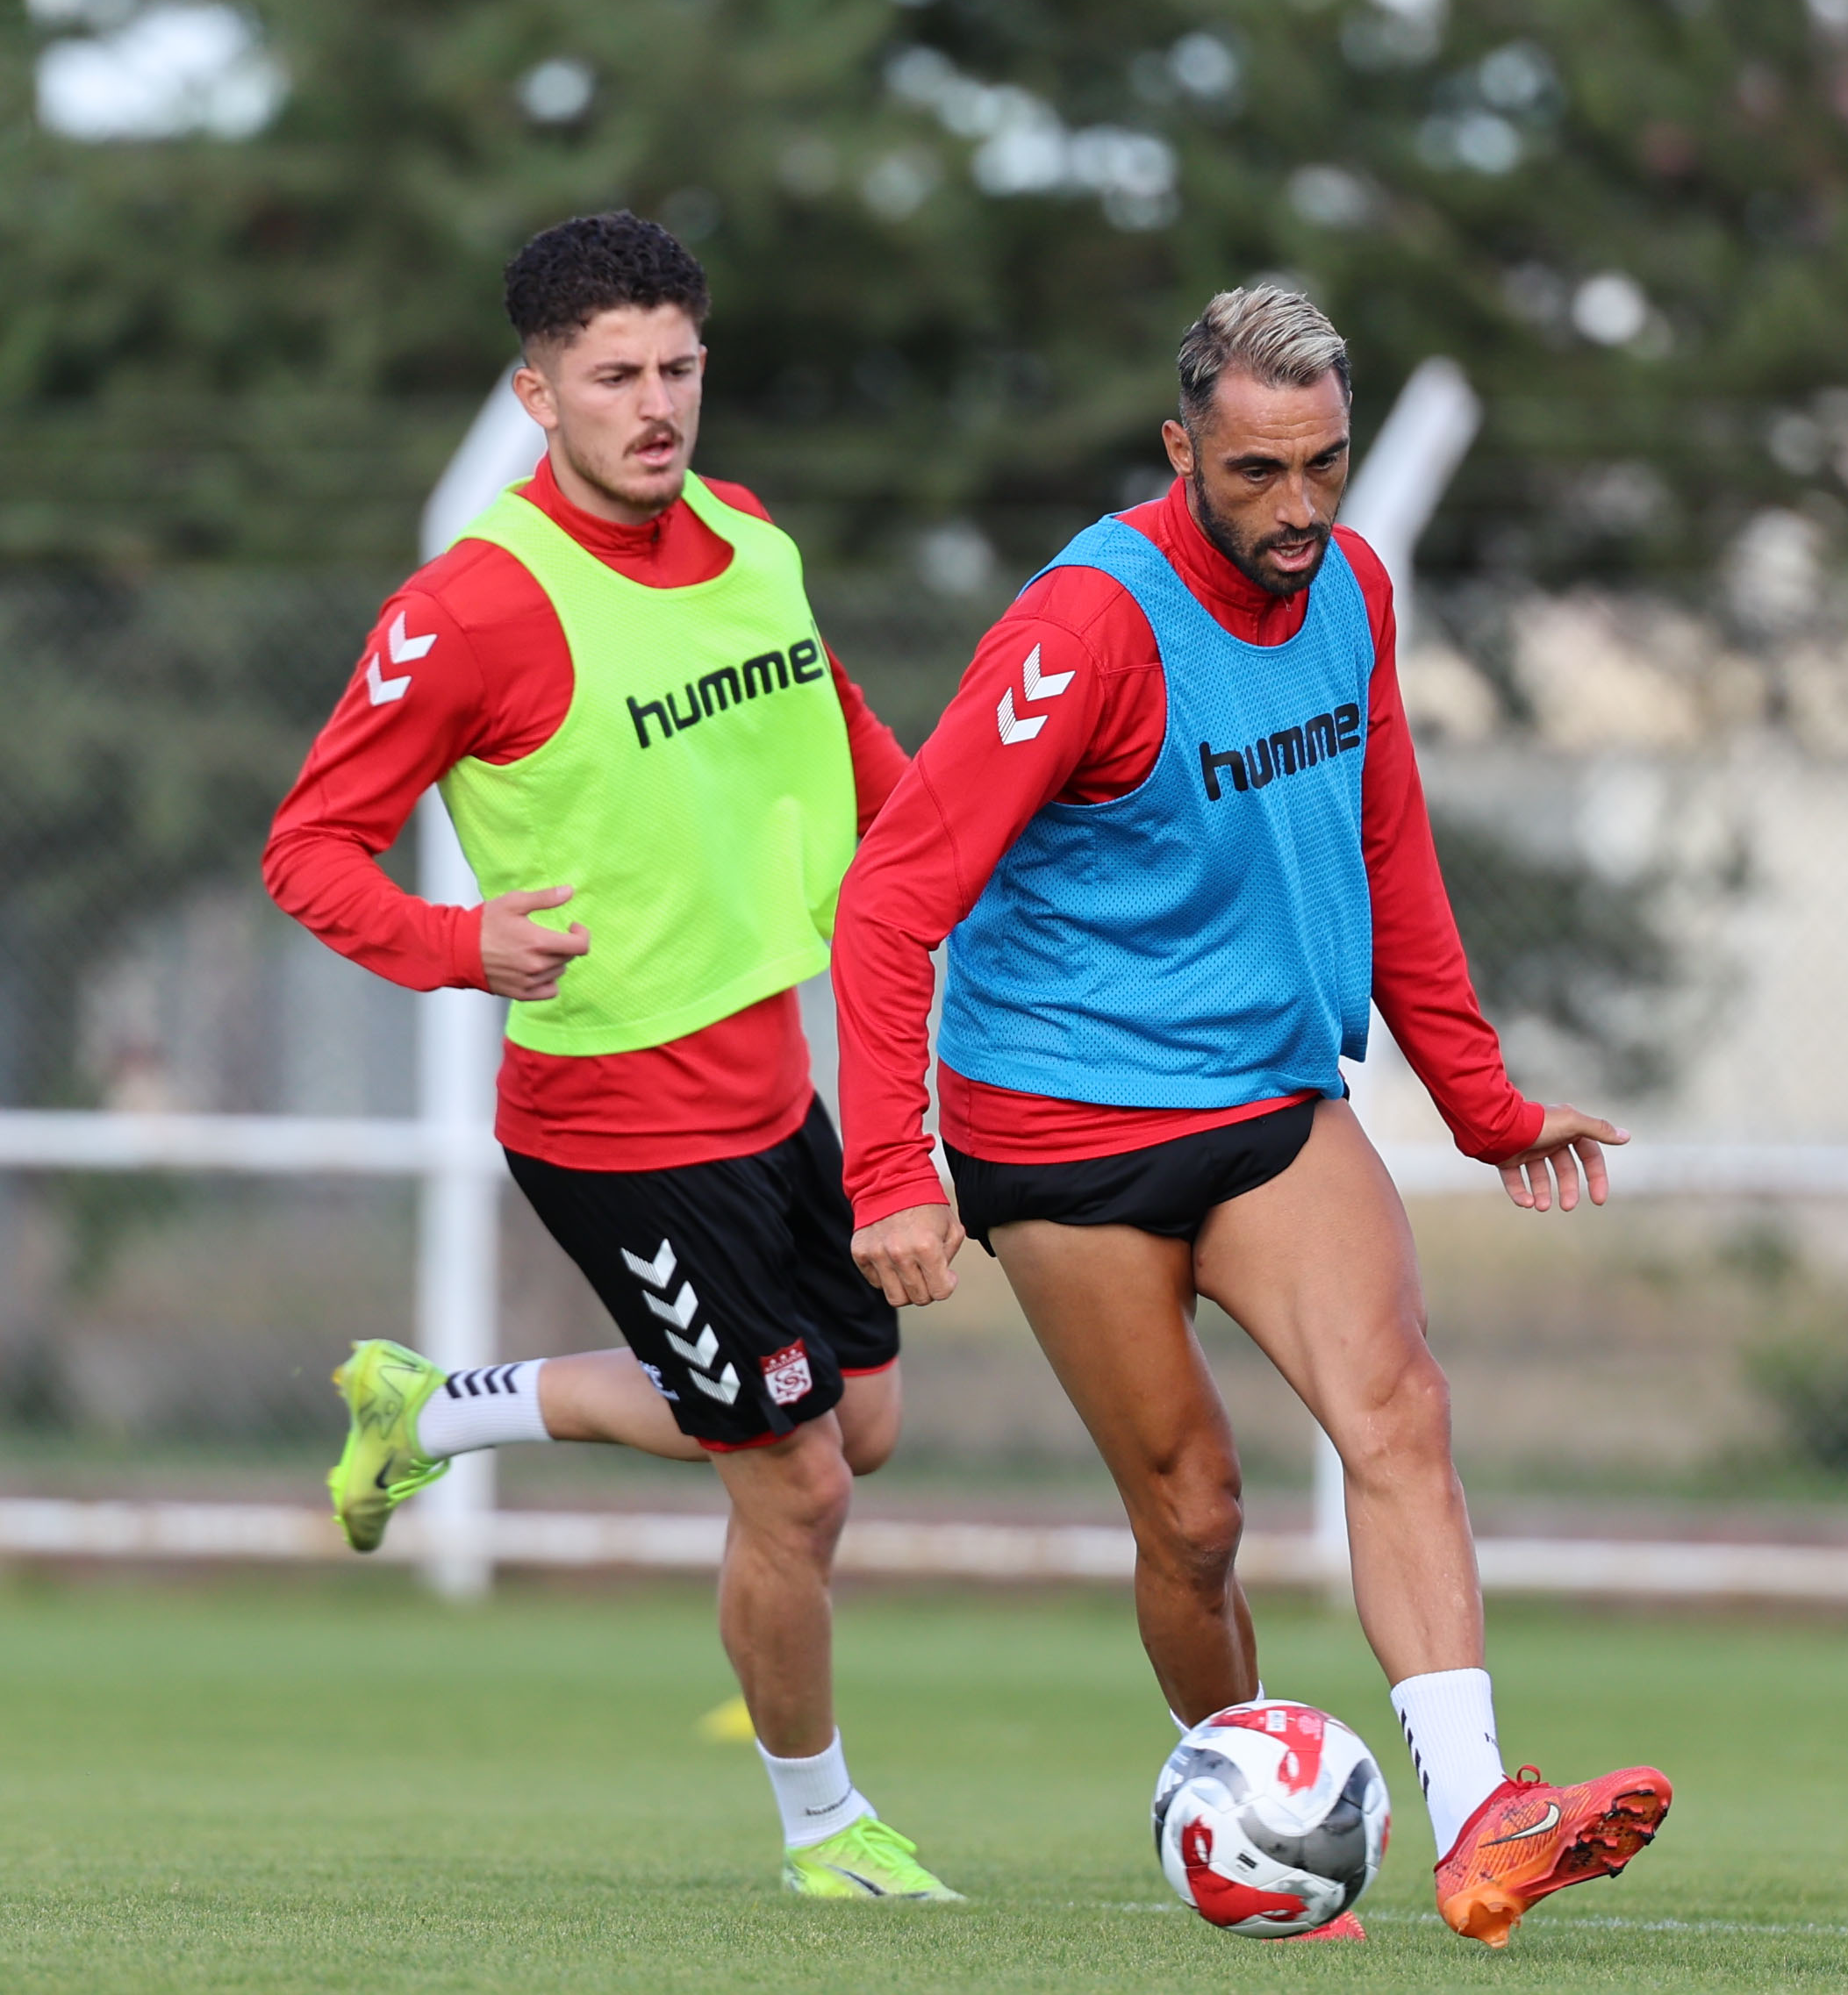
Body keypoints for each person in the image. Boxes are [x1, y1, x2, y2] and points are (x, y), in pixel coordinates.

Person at [833, 286, 1669, 1949]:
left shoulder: (1352, 588)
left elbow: (1388, 847)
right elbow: (890, 897)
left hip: (1268, 1096)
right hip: (1063, 1122)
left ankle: (1480, 1819)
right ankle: (1252, 1843)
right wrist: (889, 1172)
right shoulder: (1086, 629)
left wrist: (1480, 1101)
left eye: (1324, 465)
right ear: (1180, 451)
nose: (1297, 509)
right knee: (1194, 1515)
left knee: (1399, 1411)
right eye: (1254, 473)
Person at [263, 211, 957, 1904]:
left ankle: (433, 1408)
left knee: (858, 1422)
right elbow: (309, 849)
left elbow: (843, 735)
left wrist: (959, 854)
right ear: (537, 394)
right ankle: (826, 1833)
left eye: (678, 369)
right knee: (794, 1483)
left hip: (772, 1086)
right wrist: (461, 945)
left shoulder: (752, 538)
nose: (655, 407)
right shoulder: (474, 607)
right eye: (614, 377)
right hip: (615, 1121)